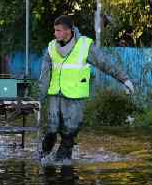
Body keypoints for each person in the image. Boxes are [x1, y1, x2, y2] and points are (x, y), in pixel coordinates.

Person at [38, 15, 135, 162]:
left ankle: (62, 166)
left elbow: (105, 63)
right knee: (51, 130)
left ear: (68, 31)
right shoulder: (51, 47)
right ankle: (44, 157)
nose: (55, 33)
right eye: (55, 30)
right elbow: (44, 76)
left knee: (69, 133)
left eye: (58, 30)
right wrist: (38, 99)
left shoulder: (85, 45)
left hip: (76, 98)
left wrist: (124, 79)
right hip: (55, 96)